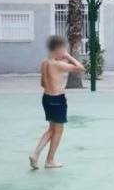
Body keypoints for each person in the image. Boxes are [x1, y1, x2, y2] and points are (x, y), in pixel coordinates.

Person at [30, 35, 84, 170]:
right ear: (58, 49)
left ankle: (35, 154)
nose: (64, 52)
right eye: (64, 49)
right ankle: (50, 160)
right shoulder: (58, 64)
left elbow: (42, 83)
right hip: (57, 100)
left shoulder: (45, 62)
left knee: (51, 129)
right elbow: (80, 68)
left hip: (46, 98)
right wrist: (69, 56)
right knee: (58, 131)